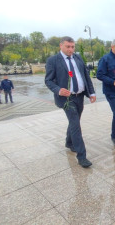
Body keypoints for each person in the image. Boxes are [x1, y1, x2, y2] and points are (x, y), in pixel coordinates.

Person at [45, 36, 96, 168]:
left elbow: (85, 76)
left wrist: (91, 92)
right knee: (75, 125)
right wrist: (58, 90)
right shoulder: (53, 61)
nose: (71, 49)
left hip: (79, 97)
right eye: (68, 47)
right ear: (61, 46)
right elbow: (48, 80)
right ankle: (82, 156)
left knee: (75, 122)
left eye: (73, 47)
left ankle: (69, 142)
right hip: (66, 99)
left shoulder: (78, 58)